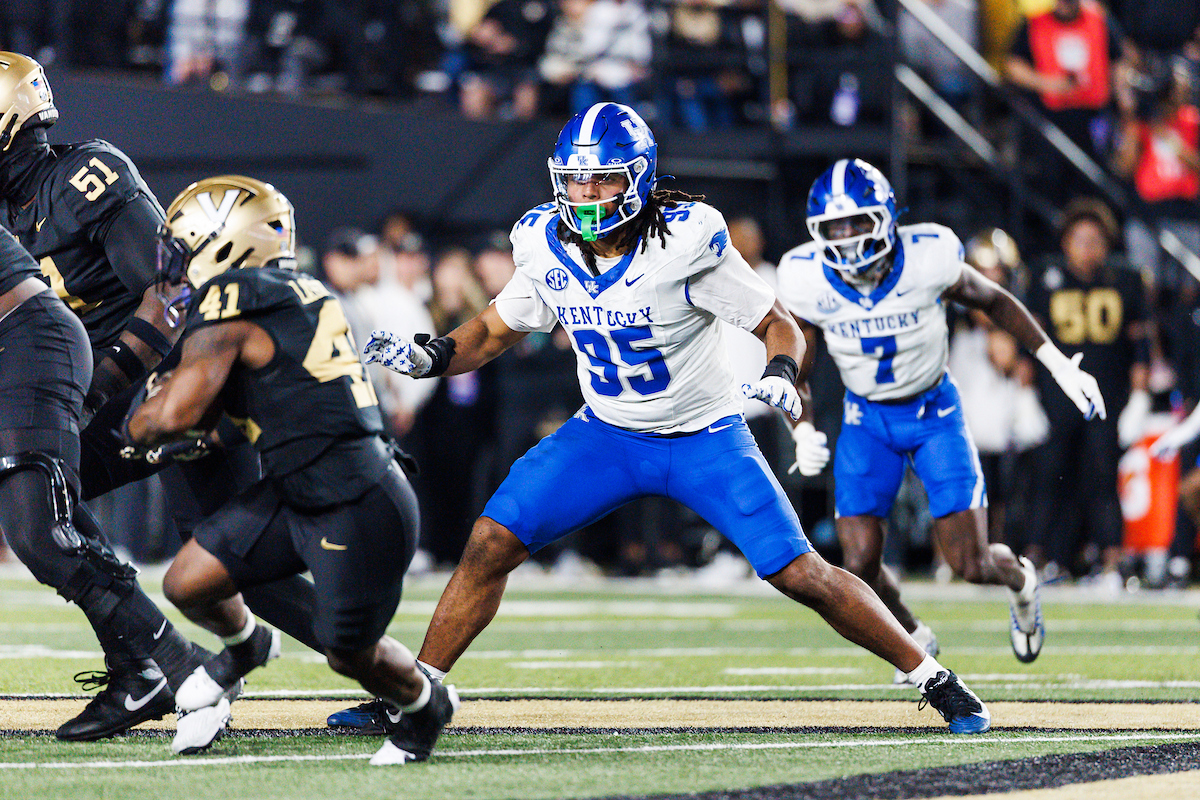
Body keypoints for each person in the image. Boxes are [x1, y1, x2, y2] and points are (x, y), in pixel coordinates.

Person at [365, 102, 993, 734]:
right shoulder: (542, 243)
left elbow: (779, 324)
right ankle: (415, 694)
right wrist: (432, 356)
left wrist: (780, 374)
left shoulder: (683, 242)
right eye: (577, 180)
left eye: (604, 179)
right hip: (607, 433)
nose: (587, 194)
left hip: (703, 437)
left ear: (638, 179)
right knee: (490, 541)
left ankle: (935, 679)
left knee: (800, 572)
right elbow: (492, 331)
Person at [0, 50, 325, 740]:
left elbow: (173, 287)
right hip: (114, 387)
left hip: (177, 377)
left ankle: (401, 677)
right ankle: (143, 665)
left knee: (235, 567)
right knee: (45, 499)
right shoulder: (10, 207)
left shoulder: (84, 177)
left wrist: (102, 383)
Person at [122, 175, 456, 763]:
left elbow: (173, 416)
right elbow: (276, 400)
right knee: (188, 581)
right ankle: (245, 647)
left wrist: (140, 420)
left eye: (184, 246)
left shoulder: (235, 295)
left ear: (226, 243)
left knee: (348, 653)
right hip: (299, 485)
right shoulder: (297, 290)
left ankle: (425, 705)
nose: (175, 261)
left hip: (354, 498)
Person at [775, 159, 1104, 675]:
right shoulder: (805, 278)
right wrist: (803, 428)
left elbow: (994, 300)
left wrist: (1057, 363)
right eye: (834, 228)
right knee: (857, 562)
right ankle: (912, 633)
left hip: (934, 412)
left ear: (886, 219)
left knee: (971, 563)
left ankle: (1021, 581)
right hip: (866, 419)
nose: (848, 240)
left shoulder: (926, 257)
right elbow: (796, 359)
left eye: (858, 222)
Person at [1022, 198, 1151, 590]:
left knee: (1103, 476)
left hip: (1106, 395)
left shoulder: (1125, 280)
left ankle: (1112, 561)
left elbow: (1140, 344)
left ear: (1107, 245)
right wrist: (1023, 392)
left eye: (1095, 240)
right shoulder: (1045, 276)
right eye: (1080, 239)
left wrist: (1141, 396)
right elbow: (1029, 337)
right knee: (1047, 475)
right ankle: (1035, 560)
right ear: (1065, 242)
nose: (1087, 248)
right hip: (1055, 395)